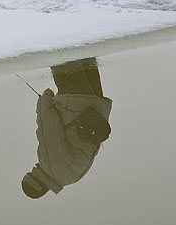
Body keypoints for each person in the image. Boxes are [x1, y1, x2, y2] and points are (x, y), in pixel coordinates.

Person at [22, 57, 112, 198]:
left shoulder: (71, 178)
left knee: (85, 50)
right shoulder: (51, 168)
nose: (33, 169)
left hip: (96, 106)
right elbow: (50, 129)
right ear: (36, 181)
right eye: (30, 174)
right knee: (62, 52)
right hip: (76, 101)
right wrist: (44, 101)